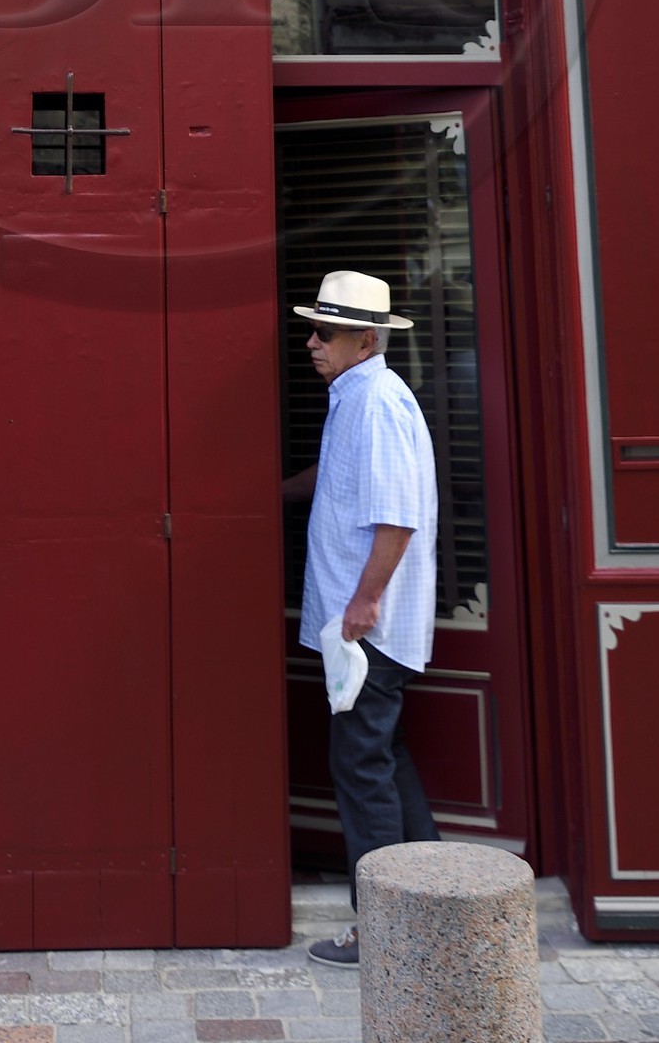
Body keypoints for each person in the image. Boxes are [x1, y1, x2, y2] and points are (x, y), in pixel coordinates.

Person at [283, 268, 440, 968]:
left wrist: (365, 601)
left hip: (367, 629)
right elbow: (340, 474)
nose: (312, 343)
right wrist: (278, 492)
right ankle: (435, 902)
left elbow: (396, 515)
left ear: (366, 338)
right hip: (364, 627)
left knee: (361, 768)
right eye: (313, 329)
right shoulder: (356, 397)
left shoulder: (376, 401)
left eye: (327, 332)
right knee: (383, 757)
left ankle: (383, 930)